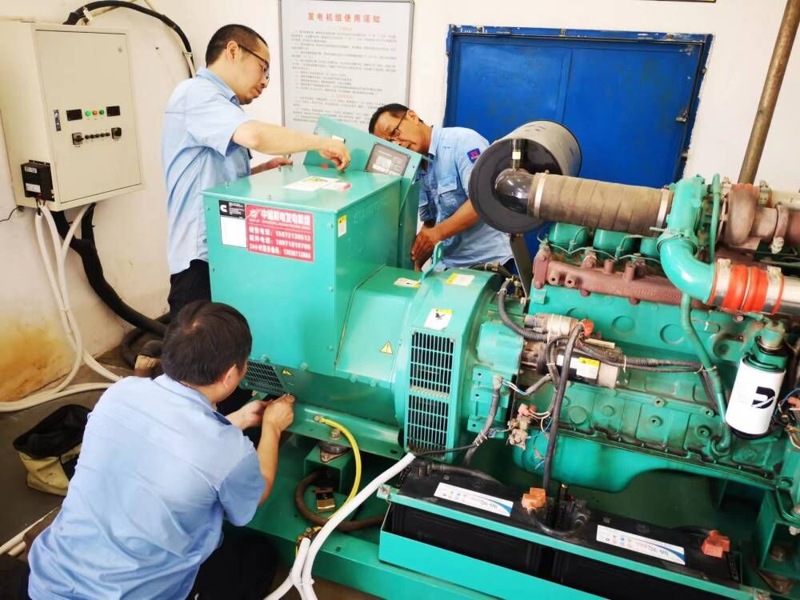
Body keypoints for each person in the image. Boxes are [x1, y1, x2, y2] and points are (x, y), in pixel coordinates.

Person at [27, 300, 295, 599]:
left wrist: (239, 419)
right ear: (231, 374)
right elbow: (252, 501)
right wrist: (272, 428)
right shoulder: (228, 451)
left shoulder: (120, 393)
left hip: (48, 582)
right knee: (257, 556)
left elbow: (173, 442)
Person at [163, 24, 351, 319]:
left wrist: (261, 170)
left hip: (224, 252)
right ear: (233, 51)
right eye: (263, 68)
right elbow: (255, 136)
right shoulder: (195, 94)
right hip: (200, 261)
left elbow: (214, 175)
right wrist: (322, 143)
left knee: (226, 340)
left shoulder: (223, 106)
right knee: (196, 344)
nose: (265, 81)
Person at [368, 103, 512, 270]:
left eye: (394, 132)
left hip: (487, 263)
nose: (397, 143)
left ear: (412, 117)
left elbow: (482, 201)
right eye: (390, 143)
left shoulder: (463, 142)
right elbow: (430, 222)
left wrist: (437, 234)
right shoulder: (415, 165)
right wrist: (415, 262)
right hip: (447, 266)